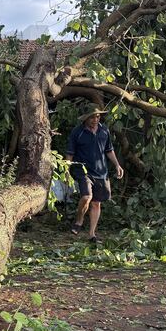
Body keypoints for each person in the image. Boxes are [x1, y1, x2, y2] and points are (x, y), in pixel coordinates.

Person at [65, 103, 124, 243]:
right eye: (92, 117)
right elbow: (69, 153)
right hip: (83, 170)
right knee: (86, 196)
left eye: (97, 116)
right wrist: (66, 171)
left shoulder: (104, 131)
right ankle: (79, 221)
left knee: (96, 203)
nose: (95, 120)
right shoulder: (77, 132)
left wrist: (117, 165)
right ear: (85, 119)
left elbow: (109, 150)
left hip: (101, 172)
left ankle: (92, 234)